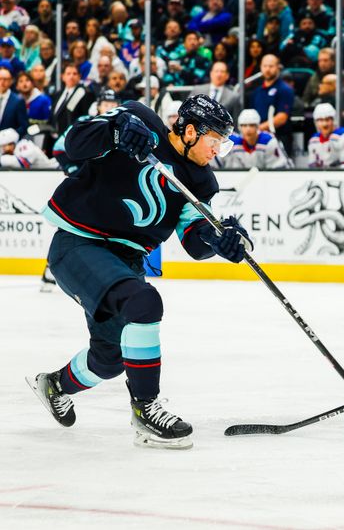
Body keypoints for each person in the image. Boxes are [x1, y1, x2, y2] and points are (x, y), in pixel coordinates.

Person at [29, 94, 252, 450]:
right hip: (79, 245)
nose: (217, 151)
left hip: (126, 261)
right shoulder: (138, 118)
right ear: (191, 131)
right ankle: (145, 409)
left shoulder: (203, 181)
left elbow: (195, 240)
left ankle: (55, 385)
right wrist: (115, 129)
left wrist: (219, 241)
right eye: (215, 141)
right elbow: (74, 143)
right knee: (144, 303)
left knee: (110, 358)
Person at [250, 53, 294, 155]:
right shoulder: (256, 91)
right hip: (258, 139)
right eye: (265, 66)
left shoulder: (285, 89)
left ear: (278, 67)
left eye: (271, 66)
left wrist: (257, 129)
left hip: (279, 137)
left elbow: (282, 117)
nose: (267, 69)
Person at [224, 108, 289, 169]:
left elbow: (277, 170)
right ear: (239, 127)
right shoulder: (234, 143)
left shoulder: (268, 141)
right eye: (244, 125)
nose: (248, 129)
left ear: (258, 126)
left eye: (252, 125)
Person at [307, 103, 344, 168]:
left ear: (334, 120)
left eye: (327, 120)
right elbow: (312, 166)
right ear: (315, 122)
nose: (324, 124)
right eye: (320, 120)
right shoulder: (314, 140)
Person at [51, 63, 95, 136]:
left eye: (74, 74)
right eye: (68, 74)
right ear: (62, 77)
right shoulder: (57, 94)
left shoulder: (85, 93)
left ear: (79, 77)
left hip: (73, 136)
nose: (71, 76)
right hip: (55, 136)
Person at [0, 66, 28, 135]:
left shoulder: (18, 101)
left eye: (5, 79)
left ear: (11, 81)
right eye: (0, 79)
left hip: (8, 142)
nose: (2, 82)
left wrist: (11, 139)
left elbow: (23, 127)